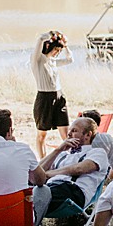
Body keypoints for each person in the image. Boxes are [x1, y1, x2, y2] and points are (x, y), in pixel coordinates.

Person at [32, 116, 110, 226]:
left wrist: (48, 174)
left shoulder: (97, 152)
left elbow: (80, 169)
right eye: (69, 131)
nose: (69, 135)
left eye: (74, 131)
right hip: (50, 189)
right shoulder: (63, 154)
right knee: (30, 189)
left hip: (74, 192)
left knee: (37, 193)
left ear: (88, 135)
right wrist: (58, 150)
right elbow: (37, 173)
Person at [30, 29, 73, 159]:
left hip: (59, 96)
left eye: (59, 52)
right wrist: (53, 35)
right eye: (56, 50)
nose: (57, 53)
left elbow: (70, 59)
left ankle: (69, 157)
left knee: (66, 133)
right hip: (44, 98)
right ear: (49, 47)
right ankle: (43, 160)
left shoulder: (54, 61)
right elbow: (40, 38)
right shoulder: (38, 60)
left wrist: (65, 46)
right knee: (42, 134)